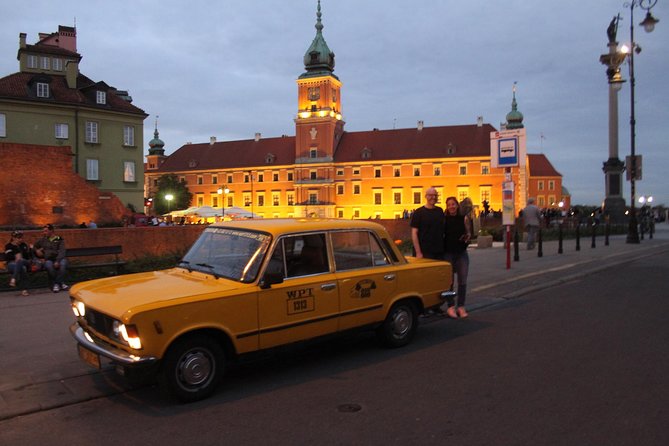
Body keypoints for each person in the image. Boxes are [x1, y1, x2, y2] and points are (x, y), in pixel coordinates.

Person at [443, 196, 472, 319]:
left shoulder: (463, 218)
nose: (451, 207)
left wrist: (466, 238)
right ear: (447, 206)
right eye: (449, 204)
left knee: (462, 281)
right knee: (449, 282)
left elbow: (470, 234)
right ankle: (450, 306)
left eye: (453, 204)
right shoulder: (444, 220)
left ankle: (461, 306)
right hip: (448, 252)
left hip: (461, 252)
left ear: (457, 205)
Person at [410, 187, 444, 260]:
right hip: (424, 252)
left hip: (439, 251)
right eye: (431, 195)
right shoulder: (418, 212)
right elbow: (414, 233)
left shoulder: (440, 211)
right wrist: (418, 252)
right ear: (426, 196)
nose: (434, 197)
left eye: (435, 195)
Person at [33, 224, 68, 293]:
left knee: (63, 264)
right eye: (43, 231)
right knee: (49, 265)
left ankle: (56, 283)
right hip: (48, 259)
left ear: (51, 231)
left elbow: (62, 251)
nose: (44, 233)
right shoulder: (42, 240)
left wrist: (57, 261)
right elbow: (34, 247)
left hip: (59, 259)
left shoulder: (59, 239)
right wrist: (37, 250)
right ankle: (60, 283)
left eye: (46, 231)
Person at [4, 231, 31, 296]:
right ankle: (24, 290)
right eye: (18, 238)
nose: (20, 239)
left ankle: (13, 278)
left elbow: (27, 257)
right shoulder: (8, 246)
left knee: (20, 261)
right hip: (12, 263)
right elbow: (8, 257)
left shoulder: (23, 245)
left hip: (24, 262)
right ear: (13, 238)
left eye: (21, 238)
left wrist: (29, 249)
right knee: (22, 267)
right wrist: (16, 255)